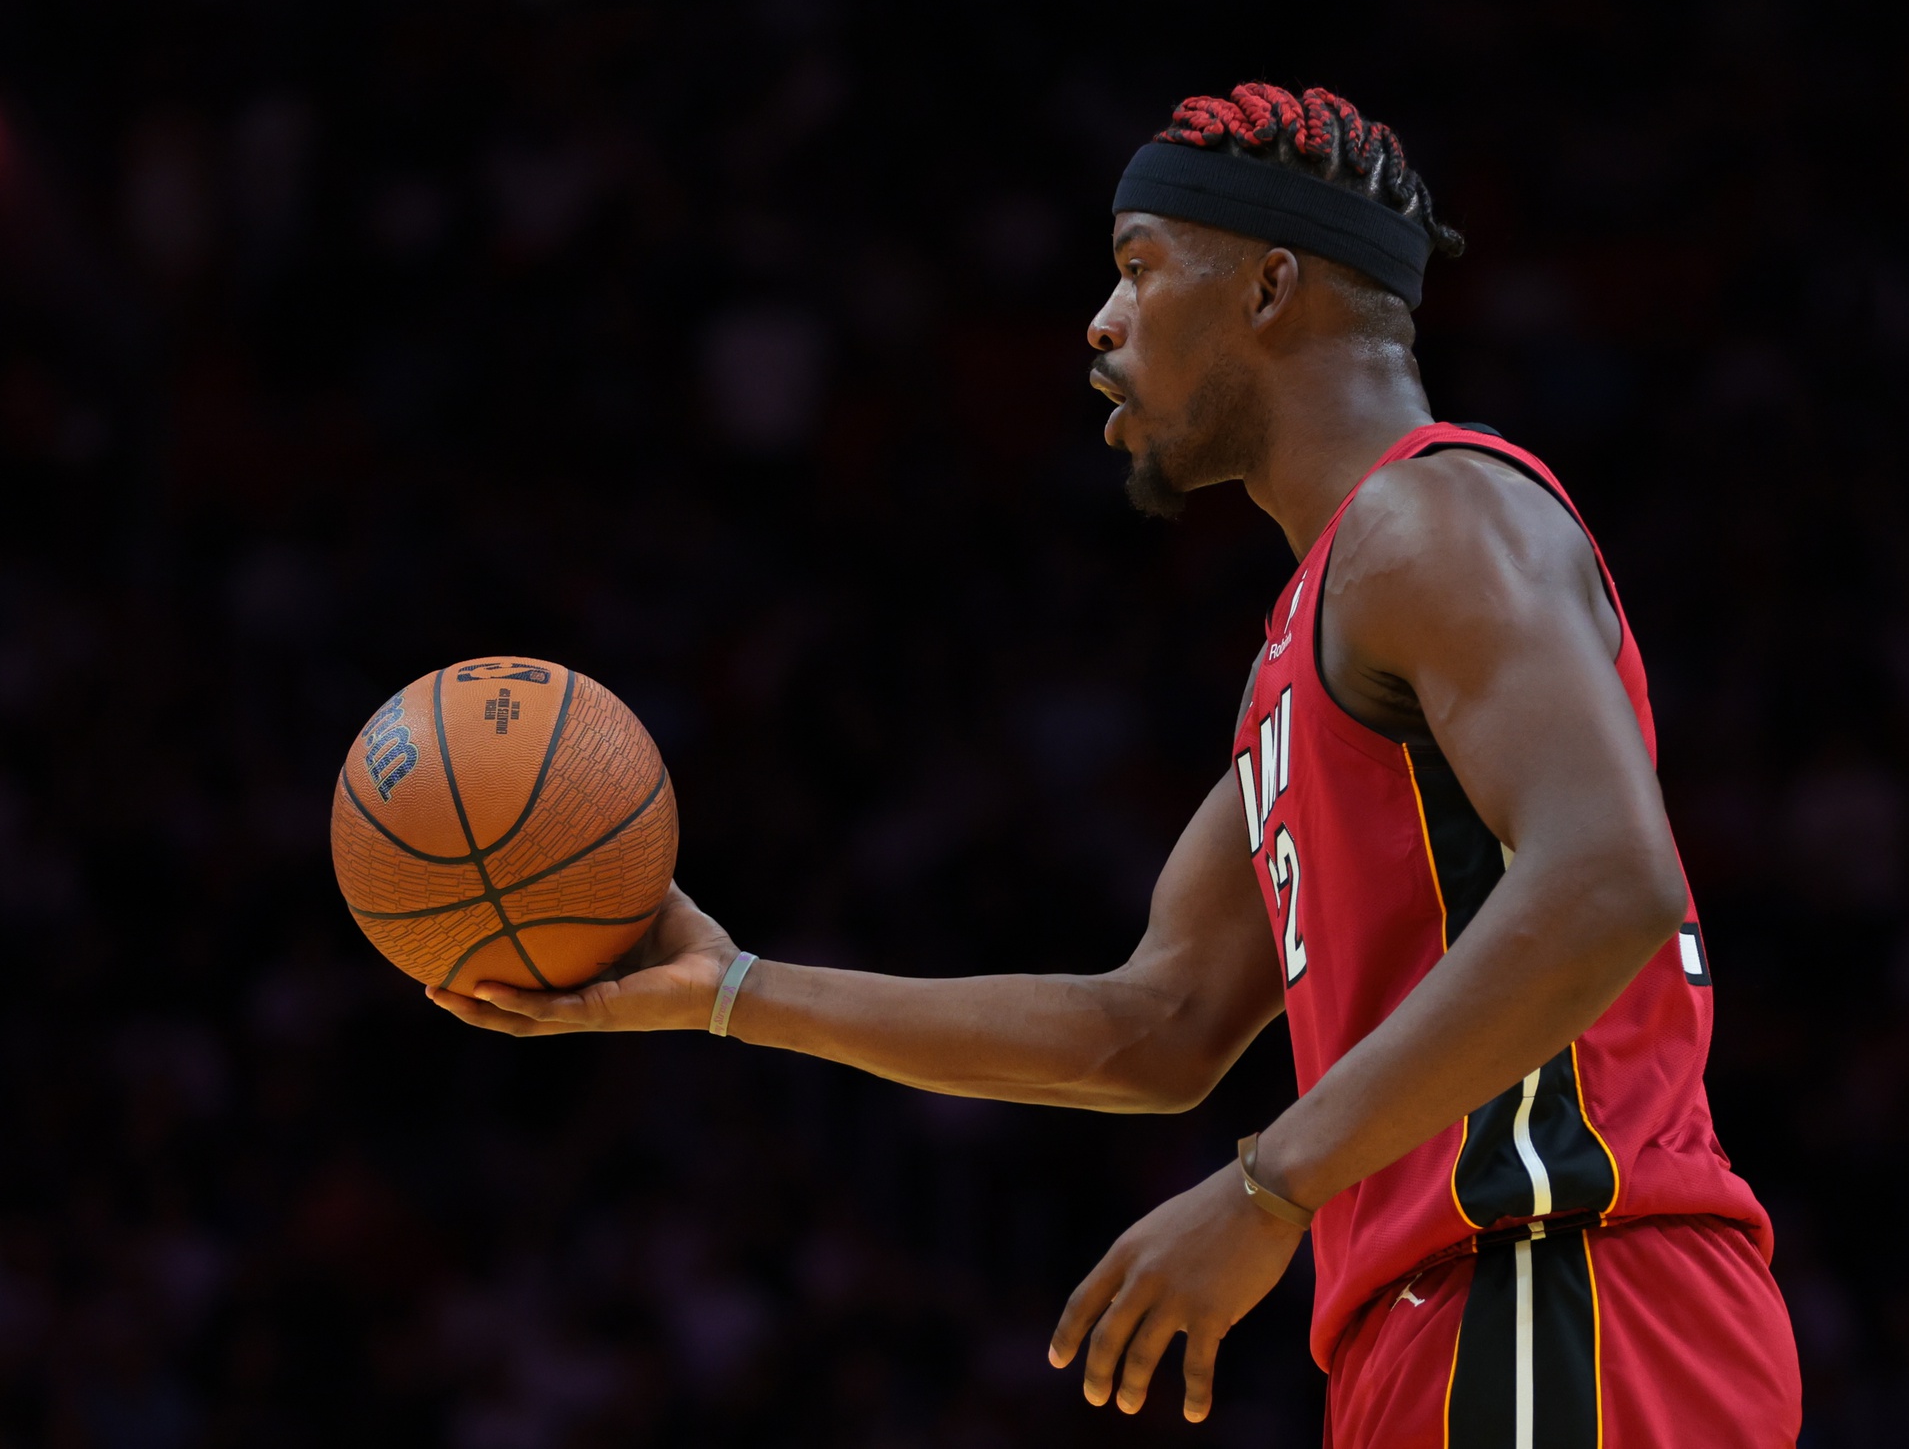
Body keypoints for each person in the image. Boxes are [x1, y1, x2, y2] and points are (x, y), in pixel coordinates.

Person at [431, 82, 1801, 1448]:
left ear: (1270, 287)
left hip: (1561, 1281)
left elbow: (1610, 879)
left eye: (1140, 267)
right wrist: (729, 993)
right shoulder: (1308, 645)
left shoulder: (1434, 514)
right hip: (1435, 1323)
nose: (1099, 321)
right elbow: (1151, 1027)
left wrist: (1267, 1188)